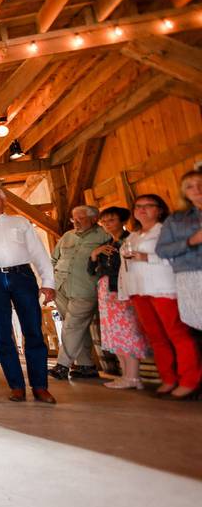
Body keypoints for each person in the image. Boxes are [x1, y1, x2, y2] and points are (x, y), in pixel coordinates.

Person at [0, 187, 57, 404]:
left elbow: (38, 252)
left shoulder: (20, 222)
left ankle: (40, 386)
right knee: (2, 334)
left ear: (3, 200)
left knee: (33, 330)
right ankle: (16, 386)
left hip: (21, 275)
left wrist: (48, 282)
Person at [118, 194, 200, 400]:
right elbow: (124, 266)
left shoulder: (166, 230)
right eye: (138, 207)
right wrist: (125, 291)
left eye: (148, 206)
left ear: (160, 210)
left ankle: (190, 380)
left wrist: (148, 257)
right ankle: (168, 378)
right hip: (139, 290)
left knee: (177, 334)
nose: (142, 210)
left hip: (163, 288)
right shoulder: (133, 235)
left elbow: (181, 254)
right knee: (155, 338)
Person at [87, 207, 149, 389]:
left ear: (122, 222)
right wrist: (94, 254)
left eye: (111, 220)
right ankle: (125, 375)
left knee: (127, 331)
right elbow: (91, 271)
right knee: (114, 334)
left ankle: (134, 376)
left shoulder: (129, 241)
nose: (107, 224)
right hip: (105, 290)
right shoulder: (106, 244)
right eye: (104, 221)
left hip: (123, 289)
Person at [48, 205, 111, 380]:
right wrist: (51, 282)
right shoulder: (67, 236)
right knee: (77, 328)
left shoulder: (104, 235)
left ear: (93, 218)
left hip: (85, 288)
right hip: (61, 287)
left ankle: (62, 366)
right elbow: (53, 259)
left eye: (80, 218)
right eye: (73, 219)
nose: (76, 222)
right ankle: (86, 366)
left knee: (71, 326)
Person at [157, 169, 202, 332]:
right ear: (184, 193)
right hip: (191, 275)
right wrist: (191, 241)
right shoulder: (175, 219)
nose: (197, 189)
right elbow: (162, 250)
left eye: (200, 184)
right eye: (190, 186)